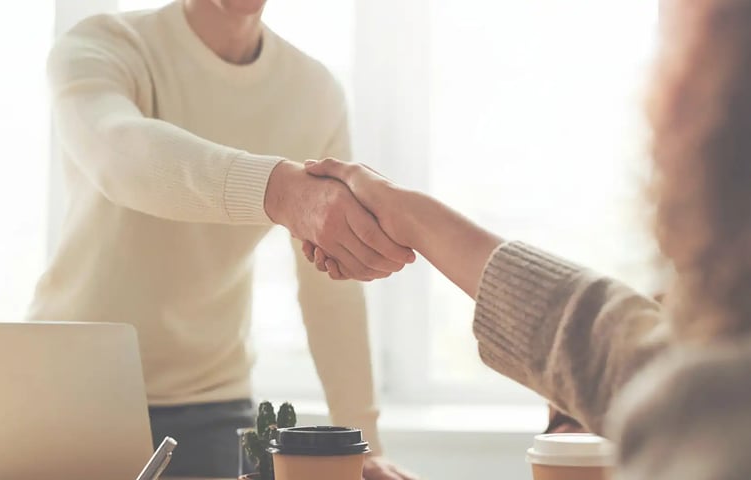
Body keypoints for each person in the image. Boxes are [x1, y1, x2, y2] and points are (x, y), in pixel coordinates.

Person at [301, 0, 751, 477]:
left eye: (682, 58)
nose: (656, 97)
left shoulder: (711, 416)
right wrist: (412, 216)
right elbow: (620, 350)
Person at [28, 0, 417, 478]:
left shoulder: (313, 92)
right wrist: (277, 191)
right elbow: (119, 153)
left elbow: (330, 287)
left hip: (212, 404)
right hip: (67, 391)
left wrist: (363, 445)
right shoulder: (103, 44)